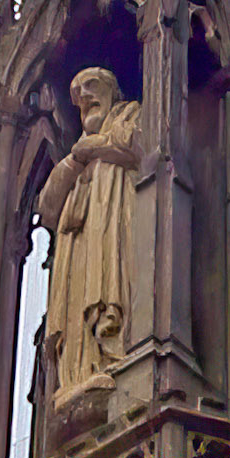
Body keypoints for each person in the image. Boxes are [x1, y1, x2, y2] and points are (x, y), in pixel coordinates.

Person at [39, 67, 141, 414]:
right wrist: (76, 159)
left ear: (114, 90)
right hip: (79, 247)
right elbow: (47, 207)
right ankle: (78, 374)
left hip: (112, 228)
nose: (84, 97)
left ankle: (113, 355)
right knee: (77, 307)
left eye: (92, 86)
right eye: (77, 93)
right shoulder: (76, 158)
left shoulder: (130, 115)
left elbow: (135, 145)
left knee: (110, 290)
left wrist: (92, 149)